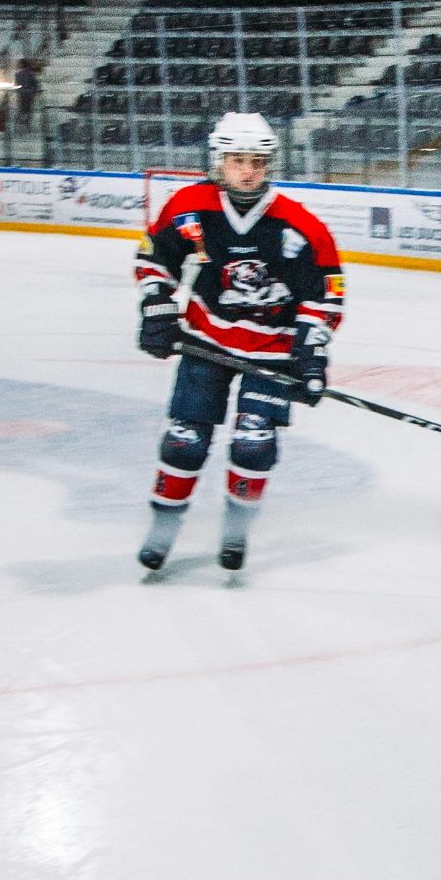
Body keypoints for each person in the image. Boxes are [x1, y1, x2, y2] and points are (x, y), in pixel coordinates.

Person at [133, 111, 344, 572]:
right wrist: (157, 308)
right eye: (237, 160)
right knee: (184, 441)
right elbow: (155, 260)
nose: (248, 170)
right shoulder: (191, 207)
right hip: (207, 339)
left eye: (257, 161)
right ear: (219, 161)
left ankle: (235, 533)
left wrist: (312, 354)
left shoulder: (298, 226)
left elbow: (325, 293)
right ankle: (163, 528)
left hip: (272, 350)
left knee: (253, 443)